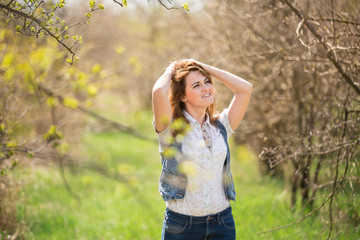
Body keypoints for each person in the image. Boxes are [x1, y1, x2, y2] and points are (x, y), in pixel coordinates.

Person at [152, 59, 252, 240]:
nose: (206, 87)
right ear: (183, 96)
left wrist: (206, 68)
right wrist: (171, 69)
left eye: (207, 82)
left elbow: (245, 89)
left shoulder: (221, 126)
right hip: (182, 227)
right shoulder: (171, 131)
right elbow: (159, 91)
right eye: (197, 85)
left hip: (222, 224)